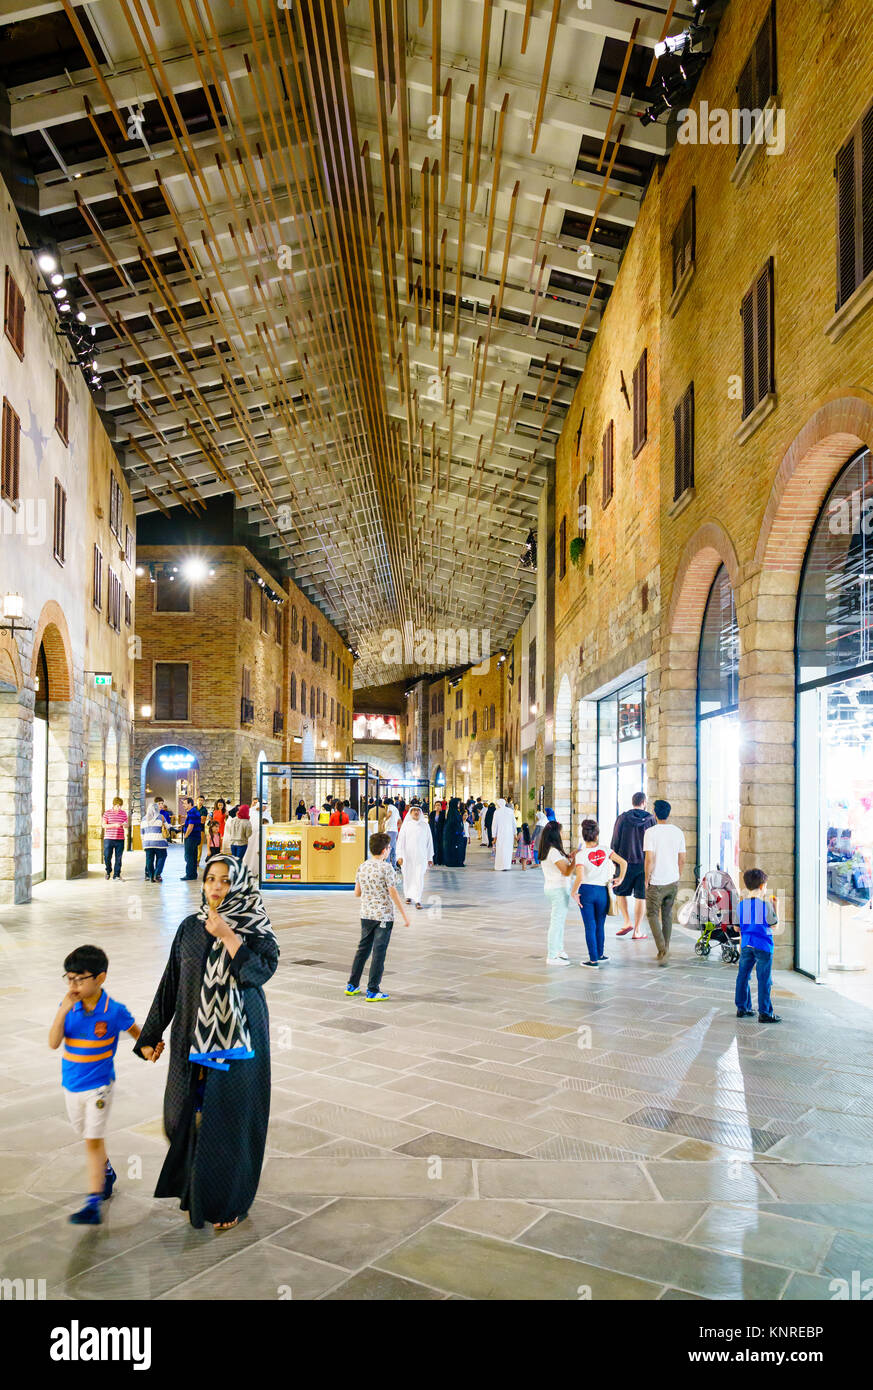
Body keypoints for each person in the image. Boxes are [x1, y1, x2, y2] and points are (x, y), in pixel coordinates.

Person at [134, 855, 279, 1230]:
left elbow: (259, 973)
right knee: (181, 1119)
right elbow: (171, 983)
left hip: (238, 1044)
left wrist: (229, 937)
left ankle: (230, 1202)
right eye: (211, 878)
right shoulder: (189, 928)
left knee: (228, 1122)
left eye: (226, 881)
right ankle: (196, 1191)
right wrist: (150, 1035)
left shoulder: (254, 928)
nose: (216, 886)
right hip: (190, 1038)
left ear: (240, 886)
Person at [49, 944, 144, 1224]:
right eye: (69, 979)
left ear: (100, 978)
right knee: (84, 1133)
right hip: (71, 1084)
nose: (73, 985)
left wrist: (149, 1048)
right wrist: (63, 1010)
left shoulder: (113, 1011)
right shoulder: (68, 1007)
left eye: (80, 979)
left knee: (92, 1140)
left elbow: (136, 1031)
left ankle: (93, 1203)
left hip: (99, 1086)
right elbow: (53, 1042)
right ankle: (107, 1171)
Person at [345, 832, 411, 1001]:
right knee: (378, 953)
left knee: (363, 950)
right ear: (384, 850)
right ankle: (373, 989)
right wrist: (404, 915)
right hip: (383, 916)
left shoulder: (363, 866)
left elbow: (357, 893)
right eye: (389, 848)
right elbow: (393, 892)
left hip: (366, 914)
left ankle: (352, 984)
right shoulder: (386, 868)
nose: (389, 850)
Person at [573, 819, 627, 968]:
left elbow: (580, 877)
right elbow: (624, 863)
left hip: (586, 892)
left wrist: (573, 892)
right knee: (600, 925)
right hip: (602, 892)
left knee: (590, 926)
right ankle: (600, 955)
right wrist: (620, 878)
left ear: (583, 836)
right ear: (597, 835)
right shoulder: (605, 850)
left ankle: (593, 960)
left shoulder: (581, 855)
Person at [735, 868, 782, 1023]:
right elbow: (774, 925)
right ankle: (765, 1013)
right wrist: (776, 907)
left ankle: (743, 1008)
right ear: (762, 886)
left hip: (746, 944)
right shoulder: (766, 905)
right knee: (764, 979)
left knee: (743, 976)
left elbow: (736, 928)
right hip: (763, 945)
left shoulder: (741, 905)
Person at [643, 799, 686, 965]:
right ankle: (665, 948)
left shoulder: (650, 832)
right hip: (672, 881)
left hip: (656, 882)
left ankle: (662, 949)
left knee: (652, 914)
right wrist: (677, 875)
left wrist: (646, 878)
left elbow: (649, 859)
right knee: (667, 915)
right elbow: (682, 859)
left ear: (654, 813)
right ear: (668, 814)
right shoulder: (678, 832)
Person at [611, 792, 656, 940]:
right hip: (644, 864)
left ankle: (627, 921)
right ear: (644, 802)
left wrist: (616, 861)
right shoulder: (651, 819)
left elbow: (615, 840)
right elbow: (654, 843)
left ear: (633, 802)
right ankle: (637, 930)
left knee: (620, 892)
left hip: (624, 862)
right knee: (641, 896)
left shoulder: (623, 818)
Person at [539, 821, 576, 964]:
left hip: (555, 888)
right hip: (557, 889)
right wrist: (575, 861)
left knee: (559, 922)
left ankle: (559, 949)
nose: (562, 834)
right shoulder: (553, 851)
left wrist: (569, 858)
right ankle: (552, 955)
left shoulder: (552, 850)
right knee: (556, 923)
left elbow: (563, 866)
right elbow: (566, 871)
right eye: (561, 831)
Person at [395, 803, 434, 909]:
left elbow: (429, 842)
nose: (416, 812)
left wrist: (430, 858)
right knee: (408, 876)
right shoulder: (406, 825)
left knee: (419, 877)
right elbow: (400, 841)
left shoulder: (425, 825)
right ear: (410, 812)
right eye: (414, 810)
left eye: (418, 810)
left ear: (420, 812)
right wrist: (399, 856)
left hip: (421, 856)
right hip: (407, 857)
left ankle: (418, 899)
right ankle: (408, 895)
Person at [141, 798, 169, 882]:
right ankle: (156, 875)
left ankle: (150, 876)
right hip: (159, 842)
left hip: (147, 843)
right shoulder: (161, 817)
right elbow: (167, 827)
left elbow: (142, 833)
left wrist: (144, 842)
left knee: (149, 860)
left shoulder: (143, 818)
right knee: (162, 857)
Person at [101, 796, 128, 880]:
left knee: (118, 858)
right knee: (107, 856)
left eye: (120, 806)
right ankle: (108, 871)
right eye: (117, 806)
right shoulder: (107, 813)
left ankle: (116, 875)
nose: (119, 808)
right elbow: (103, 825)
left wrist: (125, 825)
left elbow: (127, 825)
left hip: (120, 839)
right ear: (113, 805)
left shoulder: (123, 813)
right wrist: (114, 825)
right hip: (109, 839)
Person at [180, 796, 202, 880]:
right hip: (196, 837)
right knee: (193, 856)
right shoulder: (194, 811)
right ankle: (193, 874)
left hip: (191, 837)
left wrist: (186, 836)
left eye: (185, 803)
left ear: (190, 804)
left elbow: (191, 826)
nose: (183, 805)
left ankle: (189, 875)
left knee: (188, 856)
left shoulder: (192, 812)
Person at [492, 797, 516, 871]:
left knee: (500, 849)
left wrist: (494, 836)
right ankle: (507, 865)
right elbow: (514, 823)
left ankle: (500, 866)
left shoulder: (497, 812)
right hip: (509, 834)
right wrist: (515, 833)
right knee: (508, 849)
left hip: (500, 833)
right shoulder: (510, 811)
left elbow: (494, 825)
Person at [442, 796, 467, 866]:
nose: (459, 804)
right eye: (458, 803)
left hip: (455, 834)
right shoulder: (453, 813)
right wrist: (458, 831)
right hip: (453, 835)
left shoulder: (454, 811)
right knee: (454, 848)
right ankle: (454, 862)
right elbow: (453, 823)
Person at [383, 797, 401, 865]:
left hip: (390, 830)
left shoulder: (390, 807)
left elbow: (390, 814)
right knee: (393, 848)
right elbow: (400, 821)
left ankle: (387, 864)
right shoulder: (396, 809)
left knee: (388, 847)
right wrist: (396, 827)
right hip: (394, 831)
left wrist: (384, 821)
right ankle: (394, 865)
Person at [195, 795, 210, 865]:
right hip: (193, 830)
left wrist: (194, 819)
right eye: (199, 800)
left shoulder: (204, 810)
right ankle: (193, 859)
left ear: (203, 801)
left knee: (199, 846)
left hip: (201, 830)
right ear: (196, 800)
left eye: (202, 800)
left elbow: (202, 821)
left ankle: (197, 861)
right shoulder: (193, 809)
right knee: (193, 846)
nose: (200, 801)